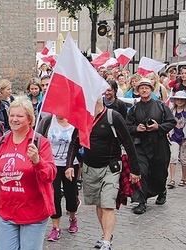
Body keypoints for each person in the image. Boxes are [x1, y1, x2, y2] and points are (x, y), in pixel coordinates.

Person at [0, 99, 56, 250]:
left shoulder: (40, 142)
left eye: (19, 116)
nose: (14, 119)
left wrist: (37, 161)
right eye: (11, 115)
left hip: (33, 213)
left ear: (29, 119)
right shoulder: (1, 142)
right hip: (7, 211)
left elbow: (50, 175)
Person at [66, 97, 141, 250]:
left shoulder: (113, 117)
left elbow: (128, 142)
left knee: (107, 205)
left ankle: (106, 242)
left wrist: (135, 170)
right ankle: (106, 234)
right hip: (90, 169)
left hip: (110, 168)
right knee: (99, 205)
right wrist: (69, 166)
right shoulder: (83, 119)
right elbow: (74, 143)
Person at [126, 78, 176, 214]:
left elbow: (172, 122)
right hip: (141, 146)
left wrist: (158, 127)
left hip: (159, 145)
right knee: (141, 171)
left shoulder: (161, 106)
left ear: (151, 90)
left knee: (159, 172)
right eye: (141, 88)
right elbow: (127, 126)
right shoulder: (134, 108)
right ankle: (141, 202)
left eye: (146, 88)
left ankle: (161, 190)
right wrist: (137, 129)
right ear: (138, 91)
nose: (144, 90)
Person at [36, 114, 79, 242]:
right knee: (54, 196)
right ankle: (56, 228)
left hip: (70, 165)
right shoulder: (48, 121)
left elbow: (80, 142)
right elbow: (38, 138)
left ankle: (73, 218)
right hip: (51, 164)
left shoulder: (74, 121)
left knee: (71, 195)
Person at [167, 91, 186, 188]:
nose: (179, 101)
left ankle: (184, 178)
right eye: (177, 99)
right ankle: (172, 179)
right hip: (174, 137)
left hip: (183, 138)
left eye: (182, 99)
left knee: (183, 159)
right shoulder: (172, 111)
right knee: (173, 157)